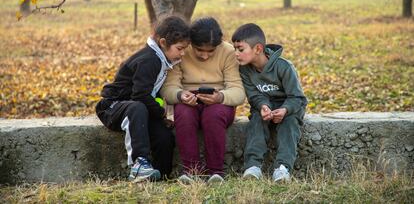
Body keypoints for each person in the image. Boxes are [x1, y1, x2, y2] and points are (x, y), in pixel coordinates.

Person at [95, 16, 190, 182]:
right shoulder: (150, 60)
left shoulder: (162, 60)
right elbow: (140, 95)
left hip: (139, 109)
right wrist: (161, 113)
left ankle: (161, 175)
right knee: (137, 107)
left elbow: (151, 94)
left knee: (164, 137)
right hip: (113, 107)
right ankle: (139, 165)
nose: (182, 53)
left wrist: (162, 116)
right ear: (162, 42)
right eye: (180, 48)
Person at [161, 17, 245, 183]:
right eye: (200, 50)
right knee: (183, 113)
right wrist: (180, 95)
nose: (205, 56)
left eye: (211, 51)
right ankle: (192, 171)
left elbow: (238, 91)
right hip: (188, 99)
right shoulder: (181, 51)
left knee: (213, 115)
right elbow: (168, 88)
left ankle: (216, 172)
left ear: (218, 45)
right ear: (190, 42)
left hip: (219, 101)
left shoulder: (227, 52)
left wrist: (220, 97)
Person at [231, 23, 307, 182]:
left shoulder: (284, 67)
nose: (236, 54)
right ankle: (253, 166)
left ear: (257, 49)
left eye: (240, 49)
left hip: (289, 107)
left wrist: (285, 110)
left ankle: (282, 168)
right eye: (234, 49)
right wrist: (263, 106)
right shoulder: (244, 70)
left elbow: (298, 98)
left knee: (289, 124)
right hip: (265, 107)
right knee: (257, 121)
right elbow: (254, 95)